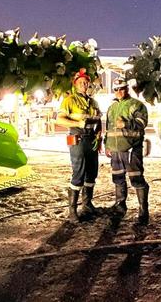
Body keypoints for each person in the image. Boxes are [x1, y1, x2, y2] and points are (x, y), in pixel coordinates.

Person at [56, 68, 102, 222]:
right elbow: (60, 120)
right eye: (81, 82)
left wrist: (99, 134)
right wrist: (78, 123)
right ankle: (72, 210)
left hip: (91, 139)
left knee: (91, 172)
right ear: (75, 84)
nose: (84, 84)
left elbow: (99, 120)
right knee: (79, 173)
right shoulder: (70, 100)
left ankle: (87, 205)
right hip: (77, 139)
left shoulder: (93, 101)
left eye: (86, 82)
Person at [104, 77, 150, 223]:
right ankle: (120, 207)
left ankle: (143, 211)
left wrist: (126, 123)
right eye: (116, 89)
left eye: (122, 88)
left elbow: (142, 123)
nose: (119, 91)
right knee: (118, 178)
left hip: (131, 149)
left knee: (136, 178)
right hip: (116, 150)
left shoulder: (136, 105)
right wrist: (107, 145)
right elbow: (108, 128)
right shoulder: (112, 108)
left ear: (127, 89)